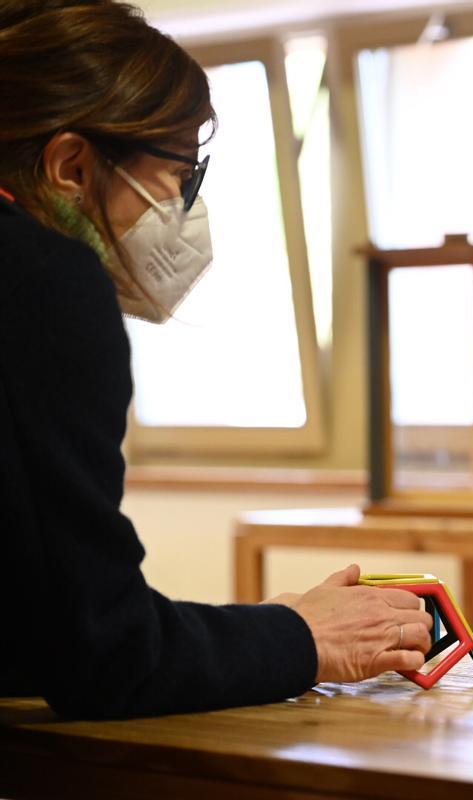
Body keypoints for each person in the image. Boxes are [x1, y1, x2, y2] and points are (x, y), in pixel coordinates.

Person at [0, 0, 432, 719]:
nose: (182, 208)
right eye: (179, 177)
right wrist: (298, 636)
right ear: (72, 164)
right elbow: (104, 655)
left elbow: (29, 625)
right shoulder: (42, 281)